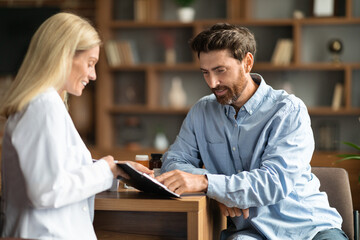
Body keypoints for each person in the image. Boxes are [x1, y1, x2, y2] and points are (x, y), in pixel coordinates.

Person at [156, 23, 348, 240]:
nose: (212, 82)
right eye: (205, 73)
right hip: (249, 233)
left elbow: (273, 182)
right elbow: (172, 162)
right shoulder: (202, 111)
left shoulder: (288, 110)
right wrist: (218, 191)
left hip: (309, 228)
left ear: (247, 62)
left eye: (220, 70)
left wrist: (208, 183)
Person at [0, 12, 152, 239]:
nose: (93, 75)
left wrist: (116, 170)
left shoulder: (46, 104)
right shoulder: (43, 105)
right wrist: (105, 170)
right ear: (64, 56)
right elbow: (46, 191)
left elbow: (57, 169)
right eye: (90, 64)